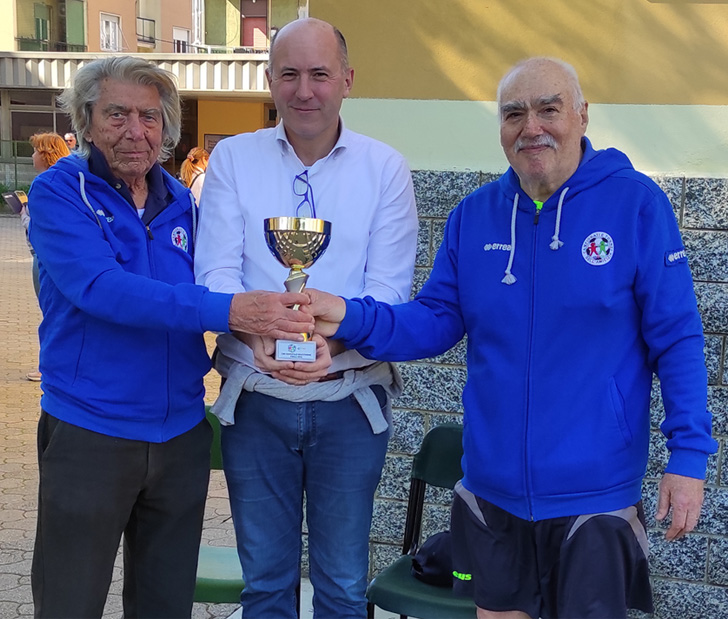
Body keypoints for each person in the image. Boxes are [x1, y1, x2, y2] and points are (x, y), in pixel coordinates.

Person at [306, 57, 717, 619]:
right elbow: (434, 319)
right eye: (514, 113)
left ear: (582, 116)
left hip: (594, 497)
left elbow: (678, 340)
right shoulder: (474, 216)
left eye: (549, 109)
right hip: (491, 494)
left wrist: (688, 456)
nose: (532, 127)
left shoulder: (636, 205)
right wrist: (348, 318)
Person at [28, 55, 313, 619]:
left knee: (165, 606)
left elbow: (219, 280)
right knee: (68, 603)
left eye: (149, 117)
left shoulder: (183, 202)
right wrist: (233, 310)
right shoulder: (60, 193)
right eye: (117, 115)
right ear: (86, 121)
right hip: (91, 431)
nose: (135, 131)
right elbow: (104, 290)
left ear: (166, 128)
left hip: (180, 435)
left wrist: (267, 332)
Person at [194, 18, 419, 619]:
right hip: (256, 400)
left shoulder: (385, 168)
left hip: (349, 402)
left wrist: (331, 341)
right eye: (289, 74)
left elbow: (388, 293)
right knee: (265, 586)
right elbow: (215, 275)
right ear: (269, 80)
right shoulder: (232, 159)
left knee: (342, 587)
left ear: (347, 79)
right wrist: (257, 334)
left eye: (320, 74)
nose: (304, 90)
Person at [23, 133, 72, 381]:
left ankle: (49, 367)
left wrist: (25, 217)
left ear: (45, 154)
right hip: (57, 259)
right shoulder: (69, 181)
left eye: (35, 151)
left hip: (45, 258)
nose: (32, 156)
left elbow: (40, 228)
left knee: (51, 313)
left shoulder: (45, 184)